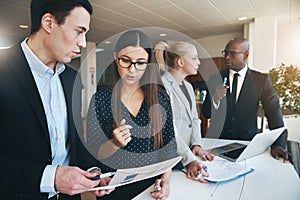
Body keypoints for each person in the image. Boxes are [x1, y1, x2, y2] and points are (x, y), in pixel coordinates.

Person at [0, 0, 115, 199]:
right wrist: (50, 178)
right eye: (79, 31)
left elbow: (74, 142)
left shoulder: (71, 78)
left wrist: (94, 172)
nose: (83, 43)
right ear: (49, 23)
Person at [86, 30, 195, 200]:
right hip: (114, 188)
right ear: (116, 57)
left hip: (151, 188)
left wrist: (166, 181)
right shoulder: (100, 99)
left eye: (140, 63)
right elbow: (94, 152)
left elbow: (168, 147)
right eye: (125, 60)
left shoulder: (160, 97)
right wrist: (114, 143)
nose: (132, 70)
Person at [202, 37, 294, 164]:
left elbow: (273, 112)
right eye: (226, 53)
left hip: (247, 145)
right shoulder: (215, 78)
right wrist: (215, 99)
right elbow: (206, 112)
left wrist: (278, 144)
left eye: (232, 53)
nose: (227, 57)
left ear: (246, 54)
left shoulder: (261, 80)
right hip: (217, 144)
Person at [154, 41, 213, 182]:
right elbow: (169, 127)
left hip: (187, 153)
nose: (198, 62)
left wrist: (197, 145)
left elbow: (194, 119)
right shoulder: (162, 86)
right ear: (180, 61)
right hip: (171, 157)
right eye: (194, 58)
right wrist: (190, 159)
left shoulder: (188, 86)